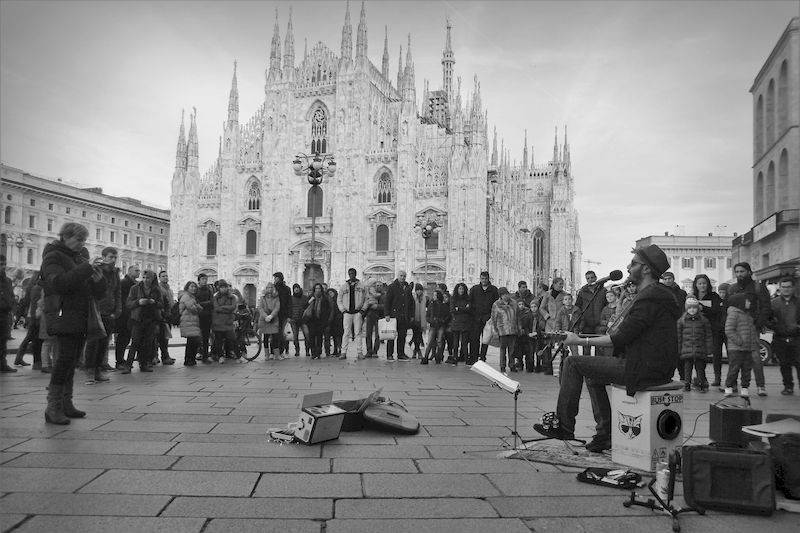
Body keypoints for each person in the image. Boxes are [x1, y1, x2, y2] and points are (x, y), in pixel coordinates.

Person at [533, 244, 680, 453]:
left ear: (646, 269)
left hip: (645, 368)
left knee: (573, 363)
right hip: (651, 365)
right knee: (592, 374)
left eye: (634, 263)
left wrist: (578, 341)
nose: (628, 267)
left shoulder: (650, 298)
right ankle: (605, 434)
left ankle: (564, 426)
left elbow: (619, 338)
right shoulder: (653, 295)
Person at [40, 223, 108, 424]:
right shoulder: (53, 256)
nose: (81, 244)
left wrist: (98, 279)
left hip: (80, 315)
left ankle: (66, 403)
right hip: (63, 314)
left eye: (84, 241)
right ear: (65, 237)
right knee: (63, 361)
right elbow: (59, 283)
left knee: (72, 360)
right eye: (79, 240)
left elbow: (97, 293)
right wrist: (86, 268)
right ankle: (53, 407)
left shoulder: (77, 258)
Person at [728, 262, 771, 396]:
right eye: (737, 272)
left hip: (752, 326)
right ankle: (732, 385)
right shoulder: (733, 288)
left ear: (749, 272)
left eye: (742, 271)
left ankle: (760, 386)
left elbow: (766, 307)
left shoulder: (758, 287)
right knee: (734, 358)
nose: (739, 274)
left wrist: (758, 323)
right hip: (736, 325)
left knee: (755, 358)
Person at [83, 247, 121, 383]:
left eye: (115, 257)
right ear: (104, 257)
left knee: (103, 344)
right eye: (111, 257)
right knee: (93, 342)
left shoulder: (115, 273)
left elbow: (117, 292)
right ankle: (89, 371)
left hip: (109, 312)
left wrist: (117, 310)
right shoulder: (97, 270)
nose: (113, 260)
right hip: (96, 311)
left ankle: (98, 370)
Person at [122, 270, 163, 374]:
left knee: (147, 343)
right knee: (135, 342)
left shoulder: (156, 290)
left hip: (151, 318)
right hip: (138, 318)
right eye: (144, 277)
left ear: (152, 279)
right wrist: (138, 302)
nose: (145, 280)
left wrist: (154, 302)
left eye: (148, 278)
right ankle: (128, 365)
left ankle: (144, 364)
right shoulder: (135, 288)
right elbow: (128, 303)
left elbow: (161, 304)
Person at [724, 293, 760, 397]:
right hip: (736, 348)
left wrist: (753, 344)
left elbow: (751, 332)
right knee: (734, 368)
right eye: (747, 301)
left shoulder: (747, 315)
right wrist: (739, 341)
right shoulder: (734, 314)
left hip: (747, 348)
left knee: (746, 369)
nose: (749, 302)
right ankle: (729, 386)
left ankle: (745, 387)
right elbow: (729, 330)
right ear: (740, 303)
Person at [692, 274, 724, 387]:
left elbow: (717, 310)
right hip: (698, 328)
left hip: (713, 328)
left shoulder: (714, 296)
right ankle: (701, 377)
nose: (702, 286)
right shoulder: (693, 296)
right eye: (700, 283)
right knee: (699, 354)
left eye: (704, 283)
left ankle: (717, 378)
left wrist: (703, 308)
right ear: (696, 285)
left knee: (716, 353)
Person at [770, 277, 800, 395]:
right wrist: (774, 326)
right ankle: (788, 386)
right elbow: (768, 319)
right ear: (780, 288)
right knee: (784, 364)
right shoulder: (774, 303)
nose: (786, 289)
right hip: (780, 338)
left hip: (797, 338)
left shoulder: (798, 302)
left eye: (788, 287)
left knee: (799, 363)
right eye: (783, 287)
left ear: (793, 288)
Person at [678, 297, 713, 392]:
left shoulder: (703, 320)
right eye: (689, 308)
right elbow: (679, 337)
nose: (692, 310)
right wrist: (679, 349)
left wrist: (709, 348)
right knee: (687, 369)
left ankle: (701, 384)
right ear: (686, 308)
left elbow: (708, 335)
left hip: (700, 349)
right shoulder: (682, 321)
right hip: (687, 349)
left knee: (700, 368)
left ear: (698, 308)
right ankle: (687, 384)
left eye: (694, 307)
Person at [468, 271, 499, 364]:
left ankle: (482, 357)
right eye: (482, 278)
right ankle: (473, 357)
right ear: (480, 279)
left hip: (488, 318)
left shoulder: (493, 289)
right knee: (474, 338)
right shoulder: (475, 289)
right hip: (476, 317)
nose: (484, 280)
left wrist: (492, 316)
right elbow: (470, 301)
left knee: (486, 339)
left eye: (485, 278)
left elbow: (496, 303)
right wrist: (473, 312)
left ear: (488, 279)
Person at [15, 271, 43, 369]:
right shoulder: (37, 288)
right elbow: (35, 304)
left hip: (31, 316)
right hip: (34, 316)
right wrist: (35, 318)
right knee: (33, 338)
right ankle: (36, 361)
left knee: (29, 338)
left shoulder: (31, 287)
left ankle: (19, 358)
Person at [575, 271, 608, 355]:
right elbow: (578, 307)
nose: (590, 280)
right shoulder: (582, 291)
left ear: (596, 278)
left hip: (599, 324)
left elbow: (607, 305)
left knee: (600, 349)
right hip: (586, 324)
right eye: (588, 278)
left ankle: (598, 367)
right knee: (586, 349)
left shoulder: (603, 290)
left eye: (592, 277)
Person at [384, 270, 414, 361]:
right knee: (391, 336)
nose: (403, 277)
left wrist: (411, 315)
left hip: (404, 316)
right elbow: (387, 302)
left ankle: (400, 354)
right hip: (393, 315)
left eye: (404, 276)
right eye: (401, 276)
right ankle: (389, 355)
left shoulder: (407, 287)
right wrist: (387, 314)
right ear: (398, 276)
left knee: (402, 336)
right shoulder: (392, 287)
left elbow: (411, 302)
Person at [115, 265, 139, 369]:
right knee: (122, 338)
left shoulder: (135, 284)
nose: (139, 272)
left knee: (126, 338)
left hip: (131, 314)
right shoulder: (124, 283)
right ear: (129, 271)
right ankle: (119, 361)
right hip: (124, 315)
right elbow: (121, 298)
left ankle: (121, 360)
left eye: (139, 271)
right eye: (136, 270)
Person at [337, 268, 365, 360]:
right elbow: (339, 299)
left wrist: (362, 310)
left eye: (353, 273)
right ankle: (343, 352)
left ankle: (359, 352)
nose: (351, 275)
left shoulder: (362, 286)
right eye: (350, 273)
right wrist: (343, 310)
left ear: (355, 274)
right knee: (346, 333)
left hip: (357, 312)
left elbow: (367, 299)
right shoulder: (344, 286)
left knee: (358, 333)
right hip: (347, 313)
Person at [491, 287, 518, 373]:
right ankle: (502, 366)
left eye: (507, 294)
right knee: (503, 349)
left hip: (513, 329)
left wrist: (519, 327)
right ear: (501, 296)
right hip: (502, 330)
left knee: (512, 349)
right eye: (504, 295)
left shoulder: (514, 303)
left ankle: (512, 365)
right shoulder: (496, 304)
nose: (506, 296)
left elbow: (517, 316)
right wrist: (495, 331)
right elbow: (494, 318)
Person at [211, 280, 237, 363]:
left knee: (232, 339)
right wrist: (227, 308)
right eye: (221, 287)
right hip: (218, 321)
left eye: (225, 287)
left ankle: (238, 355)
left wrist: (222, 308)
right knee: (219, 340)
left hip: (228, 321)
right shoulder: (215, 297)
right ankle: (220, 356)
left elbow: (233, 307)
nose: (223, 289)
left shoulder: (232, 297)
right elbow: (216, 308)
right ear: (219, 288)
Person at [423, 289, 450, 365]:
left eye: (435, 295)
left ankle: (438, 357)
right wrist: (431, 320)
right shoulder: (431, 305)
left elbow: (447, 315)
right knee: (430, 342)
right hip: (433, 325)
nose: (433, 296)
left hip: (440, 325)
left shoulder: (443, 305)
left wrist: (443, 320)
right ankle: (426, 357)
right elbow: (427, 315)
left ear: (438, 296)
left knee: (439, 342)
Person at [178, 281, 203, 366]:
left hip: (192, 320)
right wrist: (198, 307)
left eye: (195, 287)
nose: (194, 288)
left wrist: (198, 307)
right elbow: (193, 308)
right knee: (192, 341)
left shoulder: (191, 297)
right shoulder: (186, 296)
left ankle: (191, 359)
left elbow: (197, 308)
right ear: (187, 288)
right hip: (188, 320)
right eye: (191, 287)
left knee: (193, 341)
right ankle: (188, 359)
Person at [305, 283, 330, 359]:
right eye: (316, 288)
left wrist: (325, 321)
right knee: (311, 337)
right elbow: (305, 306)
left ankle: (318, 353)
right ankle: (313, 352)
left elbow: (327, 310)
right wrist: (310, 301)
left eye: (319, 288)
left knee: (319, 338)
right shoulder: (311, 297)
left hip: (320, 320)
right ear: (314, 289)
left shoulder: (324, 299)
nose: (318, 290)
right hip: (312, 320)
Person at [156, 271, 176, 365]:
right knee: (161, 337)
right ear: (159, 278)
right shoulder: (159, 288)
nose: (165, 277)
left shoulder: (169, 289)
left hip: (169, 315)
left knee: (166, 337)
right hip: (162, 315)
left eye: (166, 276)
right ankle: (161, 356)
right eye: (163, 276)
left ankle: (165, 355)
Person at [449, 282, 472, 364]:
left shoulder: (468, 298)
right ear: (457, 289)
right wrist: (463, 309)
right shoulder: (453, 298)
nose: (461, 290)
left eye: (462, 289)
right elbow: (452, 310)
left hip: (465, 322)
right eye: (459, 289)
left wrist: (459, 309)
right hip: (456, 322)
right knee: (455, 343)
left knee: (464, 343)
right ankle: (455, 357)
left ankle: (466, 358)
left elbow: (469, 310)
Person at [0, 254, 16, 373]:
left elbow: (10, 295)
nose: (3, 267)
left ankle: (2, 363)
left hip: (4, 314)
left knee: (3, 340)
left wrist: (10, 304)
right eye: (1, 264)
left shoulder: (7, 281)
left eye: (4, 264)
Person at [272, 272, 292, 356]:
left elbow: (289, 302)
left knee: (280, 333)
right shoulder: (273, 288)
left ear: (280, 278)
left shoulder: (286, 289)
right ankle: (273, 351)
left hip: (283, 313)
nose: (275, 279)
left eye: (276, 278)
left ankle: (280, 350)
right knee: (274, 333)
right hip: (274, 313)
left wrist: (289, 315)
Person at [195, 273, 214, 361]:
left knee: (206, 336)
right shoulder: (196, 290)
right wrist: (206, 303)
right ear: (199, 280)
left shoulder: (209, 290)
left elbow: (212, 302)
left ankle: (205, 355)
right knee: (197, 336)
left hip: (207, 315)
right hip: (198, 315)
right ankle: (198, 352)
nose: (205, 281)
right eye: (203, 279)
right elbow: (196, 302)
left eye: (206, 279)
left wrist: (202, 304)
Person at [363, 278, 383, 358]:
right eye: (377, 285)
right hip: (370, 314)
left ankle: (375, 351)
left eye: (380, 285)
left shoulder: (384, 294)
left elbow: (386, 306)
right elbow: (366, 302)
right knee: (368, 333)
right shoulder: (369, 293)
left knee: (378, 335)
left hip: (379, 316)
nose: (378, 286)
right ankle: (369, 351)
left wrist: (377, 306)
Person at [289, 283, 310, 357]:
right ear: (293, 290)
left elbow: (308, 307)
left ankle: (307, 350)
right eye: (295, 288)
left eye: (297, 288)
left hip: (303, 319)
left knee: (307, 334)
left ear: (299, 288)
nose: (296, 289)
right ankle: (297, 350)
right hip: (294, 319)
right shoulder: (291, 298)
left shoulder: (304, 297)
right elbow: (289, 308)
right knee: (295, 336)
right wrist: (289, 317)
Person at [410, 283, 427, 359]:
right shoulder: (413, 298)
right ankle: (418, 351)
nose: (419, 291)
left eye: (420, 290)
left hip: (422, 320)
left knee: (419, 336)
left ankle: (415, 351)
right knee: (416, 336)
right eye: (417, 290)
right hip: (414, 320)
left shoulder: (425, 298)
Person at [325, 288, 343, 357]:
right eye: (329, 293)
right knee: (334, 337)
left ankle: (340, 350)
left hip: (338, 321)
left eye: (331, 293)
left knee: (339, 336)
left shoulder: (338, 300)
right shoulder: (328, 301)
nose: (330, 294)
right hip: (331, 321)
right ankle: (335, 350)